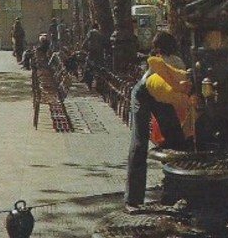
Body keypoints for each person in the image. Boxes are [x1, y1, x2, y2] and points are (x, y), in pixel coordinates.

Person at [124, 31, 192, 212]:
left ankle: (136, 200)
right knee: (173, 140)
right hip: (147, 94)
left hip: (152, 95)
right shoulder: (172, 62)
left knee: (142, 142)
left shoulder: (164, 60)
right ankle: (172, 191)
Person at [80, 22, 109, 89]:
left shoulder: (91, 32)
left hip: (92, 51)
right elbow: (104, 43)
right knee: (99, 66)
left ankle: (85, 78)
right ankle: (100, 82)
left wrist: (83, 46)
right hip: (99, 52)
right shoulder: (100, 33)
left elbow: (87, 40)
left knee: (88, 65)